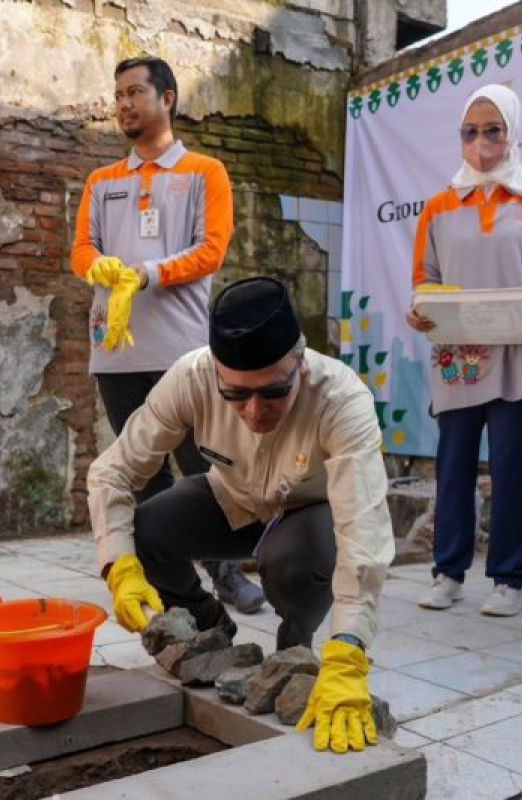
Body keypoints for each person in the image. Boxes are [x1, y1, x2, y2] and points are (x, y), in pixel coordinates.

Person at [87, 277, 394, 753]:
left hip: (307, 514)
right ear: (215, 371)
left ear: (300, 362)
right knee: (142, 533)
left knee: (293, 560)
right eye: (235, 395)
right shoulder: (190, 376)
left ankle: (296, 653)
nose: (253, 412)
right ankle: (208, 628)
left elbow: (364, 531)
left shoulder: (341, 398)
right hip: (233, 499)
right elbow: (112, 473)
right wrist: (118, 567)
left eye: (272, 392)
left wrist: (350, 649)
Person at [70, 56, 263, 615]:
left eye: (135, 92)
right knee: (142, 470)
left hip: (185, 352)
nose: (124, 105)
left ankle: (226, 572)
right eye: (119, 96)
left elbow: (212, 250)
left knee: (207, 466)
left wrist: (150, 273)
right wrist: (100, 269)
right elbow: (82, 249)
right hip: (116, 349)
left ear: (169, 98)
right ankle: (173, 585)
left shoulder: (205, 173)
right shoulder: (101, 182)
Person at [406, 84, 522, 617]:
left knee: (512, 468)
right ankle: (448, 572)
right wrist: (419, 308)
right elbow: (424, 279)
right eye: (471, 132)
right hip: (460, 356)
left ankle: (509, 580)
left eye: (493, 131)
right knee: (453, 466)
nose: (481, 143)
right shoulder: (439, 205)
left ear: (513, 134)